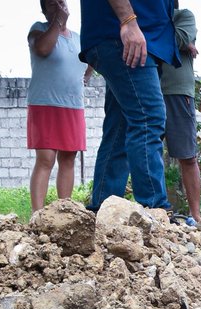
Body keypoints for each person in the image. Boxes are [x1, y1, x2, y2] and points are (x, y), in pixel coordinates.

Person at [80, 0, 177, 213]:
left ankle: (104, 211)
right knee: (148, 118)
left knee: (120, 128)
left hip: (134, 37)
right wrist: (128, 20)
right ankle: (154, 210)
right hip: (125, 35)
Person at [27, 0, 92, 213]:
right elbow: (43, 49)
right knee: (46, 159)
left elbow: (90, 58)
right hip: (45, 104)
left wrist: (87, 75)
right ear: (44, 10)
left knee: (68, 158)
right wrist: (57, 22)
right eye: (52, 4)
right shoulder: (38, 29)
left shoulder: (78, 38)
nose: (58, 7)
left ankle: (64, 212)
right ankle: (37, 214)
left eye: (61, 2)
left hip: (73, 105)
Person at [159, 2, 200, 226]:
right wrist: (183, 46)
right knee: (149, 152)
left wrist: (185, 43)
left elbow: (180, 39)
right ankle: (157, 210)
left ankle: (196, 215)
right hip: (149, 89)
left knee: (188, 156)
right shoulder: (142, 16)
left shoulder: (184, 15)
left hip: (178, 90)